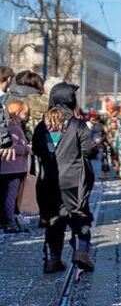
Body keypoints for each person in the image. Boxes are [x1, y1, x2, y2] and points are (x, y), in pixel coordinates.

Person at [32, 83, 99, 273]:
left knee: (55, 219)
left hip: (49, 181)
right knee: (80, 216)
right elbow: (88, 150)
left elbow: (37, 150)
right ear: (71, 100)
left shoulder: (41, 126)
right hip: (74, 181)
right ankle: (82, 252)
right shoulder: (77, 124)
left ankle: (53, 259)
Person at [0, 99, 31, 233]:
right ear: (18, 112)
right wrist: (26, 148)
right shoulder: (12, 128)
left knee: (9, 195)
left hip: (13, 168)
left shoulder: (14, 126)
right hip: (12, 168)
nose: (27, 115)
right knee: (11, 196)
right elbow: (11, 147)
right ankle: (10, 221)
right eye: (25, 113)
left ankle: (9, 219)